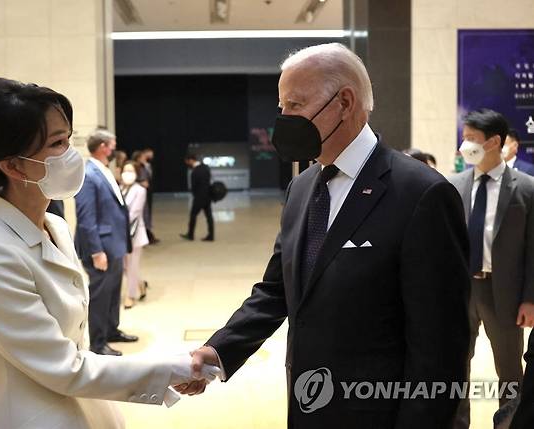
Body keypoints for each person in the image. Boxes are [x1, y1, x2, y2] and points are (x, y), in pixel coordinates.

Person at [178, 43, 471, 428]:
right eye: (281, 107)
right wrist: (218, 350)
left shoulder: (421, 194)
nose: (284, 119)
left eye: (295, 106)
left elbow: (441, 346)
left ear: (345, 102)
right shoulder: (301, 188)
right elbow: (277, 290)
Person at [0, 78, 219, 429]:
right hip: (35, 417)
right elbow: (64, 366)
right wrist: (175, 368)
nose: (72, 155)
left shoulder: (54, 227)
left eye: (69, 140)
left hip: (85, 406)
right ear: (12, 166)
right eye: (57, 144)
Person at [449, 109, 534, 429]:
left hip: (506, 293)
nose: (464, 145)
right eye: (464, 137)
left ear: (494, 142)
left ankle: (509, 423)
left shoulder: (526, 188)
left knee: (510, 371)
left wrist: (530, 298)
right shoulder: (454, 185)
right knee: (456, 365)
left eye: (471, 139)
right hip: (462, 290)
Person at [75, 129, 138, 356]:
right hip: (101, 246)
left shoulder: (103, 170)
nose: (114, 149)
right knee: (101, 294)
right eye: (112, 145)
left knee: (113, 291)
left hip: (114, 243)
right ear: (103, 146)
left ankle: (112, 329)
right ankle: (98, 343)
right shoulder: (88, 173)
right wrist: (96, 251)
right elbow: (86, 217)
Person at [120, 161, 149, 309]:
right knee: (125, 267)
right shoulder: (120, 189)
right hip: (120, 234)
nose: (127, 174)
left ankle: (130, 296)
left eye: (131, 171)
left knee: (131, 266)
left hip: (134, 235)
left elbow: (135, 213)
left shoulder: (140, 190)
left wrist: (117, 222)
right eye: (125, 170)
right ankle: (140, 284)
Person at [180, 154, 214, 242]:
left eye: (187, 162)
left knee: (193, 215)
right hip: (208, 196)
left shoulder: (195, 171)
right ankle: (211, 235)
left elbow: (194, 186)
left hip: (199, 197)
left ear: (191, 160)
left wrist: (195, 194)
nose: (187, 164)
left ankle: (190, 235)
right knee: (209, 216)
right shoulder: (206, 167)